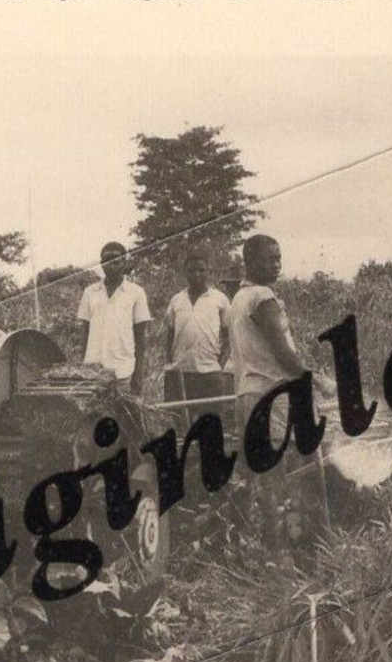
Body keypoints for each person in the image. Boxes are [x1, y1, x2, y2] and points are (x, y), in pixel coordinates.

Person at [228, 234, 335, 547]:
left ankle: (264, 549)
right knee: (287, 474)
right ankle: (289, 552)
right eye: (268, 259)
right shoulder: (262, 297)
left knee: (261, 476)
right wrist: (317, 380)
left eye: (278, 258)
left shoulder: (238, 299)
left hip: (248, 394)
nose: (276, 265)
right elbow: (283, 354)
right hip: (272, 396)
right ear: (249, 262)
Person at [75, 241, 151, 391]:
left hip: (122, 372)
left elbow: (141, 338)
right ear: (102, 264)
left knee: (122, 414)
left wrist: (138, 375)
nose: (112, 264)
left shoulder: (136, 292)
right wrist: (83, 366)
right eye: (107, 260)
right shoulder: (90, 292)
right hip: (93, 373)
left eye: (117, 260)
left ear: (124, 262)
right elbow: (83, 331)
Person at [163, 251, 232, 406]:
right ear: (185, 272)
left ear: (209, 272)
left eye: (201, 270)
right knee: (180, 420)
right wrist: (169, 365)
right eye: (191, 271)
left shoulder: (219, 299)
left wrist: (219, 365)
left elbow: (229, 336)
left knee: (209, 419)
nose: (196, 275)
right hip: (181, 372)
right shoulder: (177, 300)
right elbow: (170, 335)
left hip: (210, 372)